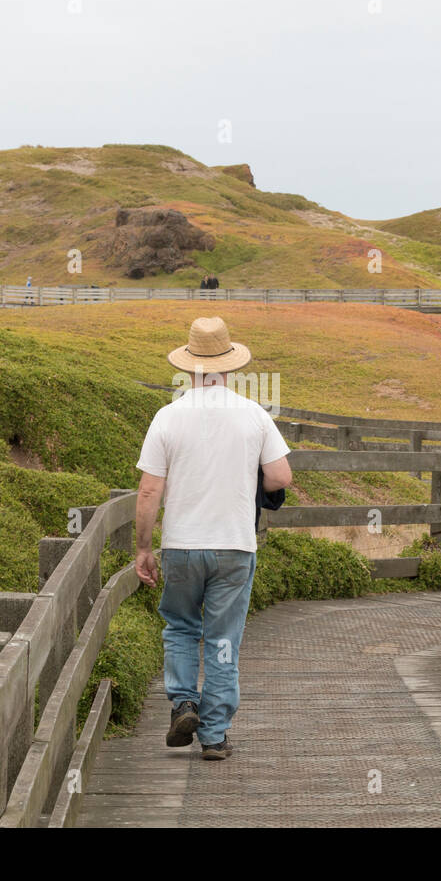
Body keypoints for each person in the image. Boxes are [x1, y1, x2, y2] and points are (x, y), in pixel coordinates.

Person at [135, 316, 293, 761]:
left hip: (183, 544)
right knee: (224, 637)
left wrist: (144, 548)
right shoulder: (254, 414)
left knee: (181, 626)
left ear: (189, 368)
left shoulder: (168, 416)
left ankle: (183, 703)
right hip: (235, 545)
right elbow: (281, 475)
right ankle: (215, 736)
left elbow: (149, 490)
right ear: (231, 366)